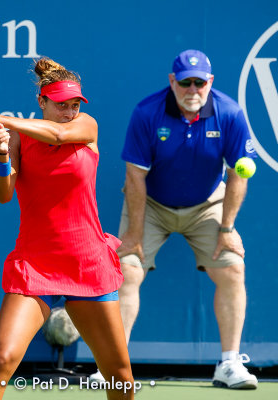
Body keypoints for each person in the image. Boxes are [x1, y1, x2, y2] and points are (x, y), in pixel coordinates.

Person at [90, 49, 258, 389]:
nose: (192, 90)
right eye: (185, 83)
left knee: (232, 268)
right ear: (172, 82)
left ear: (210, 82)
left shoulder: (229, 112)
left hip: (207, 204)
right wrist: (135, 234)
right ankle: (112, 366)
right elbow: (135, 177)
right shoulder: (147, 112)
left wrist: (226, 228)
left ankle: (229, 364)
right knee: (127, 270)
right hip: (150, 202)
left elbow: (238, 174)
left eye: (199, 82)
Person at [0, 57, 134, 400]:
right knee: (0, 361)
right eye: (60, 105)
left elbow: (60, 135)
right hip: (36, 263)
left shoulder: (86, 126)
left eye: (74, 104)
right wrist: (2, 154)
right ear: (41, 102)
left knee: (119, 374)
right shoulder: (18, 138)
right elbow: (3, 194)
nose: (69, 111)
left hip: (87, 262)